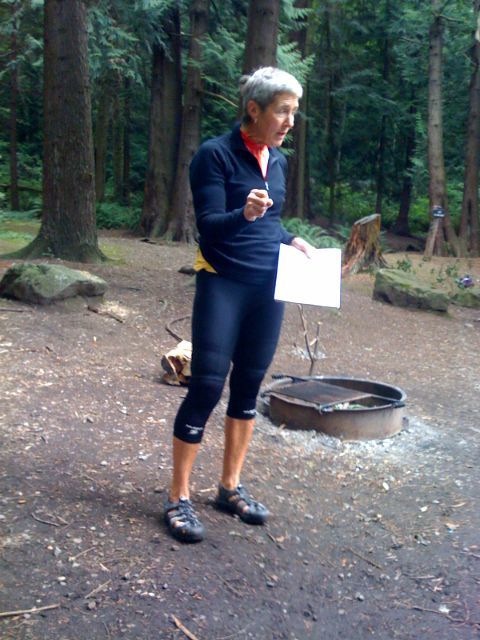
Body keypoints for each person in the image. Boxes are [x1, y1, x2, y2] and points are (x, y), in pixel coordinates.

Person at [164, 67, 313, 543]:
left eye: (294, 112)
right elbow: (209, 225)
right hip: (223, 282)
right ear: (254, 109)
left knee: (248, 386)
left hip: (268, 288)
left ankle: (229, 488)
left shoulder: (278, 161)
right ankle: (178, 497)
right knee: (207, 386)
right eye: (283, 111)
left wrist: (292, 240)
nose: (290, 121)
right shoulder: (215, 154)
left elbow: (273, 222)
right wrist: (243, 213)